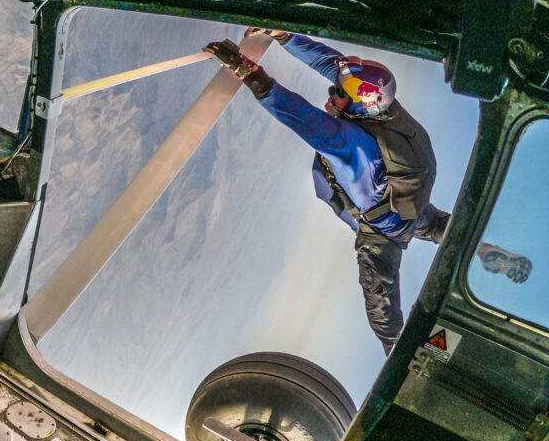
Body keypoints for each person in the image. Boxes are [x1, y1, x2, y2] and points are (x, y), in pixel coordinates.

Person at [202, 29, 530, 355]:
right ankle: (484, 249)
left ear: (361, 106)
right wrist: (286, 36)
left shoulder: (355, 148)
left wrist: (249, 71)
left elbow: (304, 118)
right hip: (408, 194)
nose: (332, 92)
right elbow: (333, 65)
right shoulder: (378, 100)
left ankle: (397, 352)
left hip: (387, 226)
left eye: (338, 94)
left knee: (381, 305)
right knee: (433, 225)